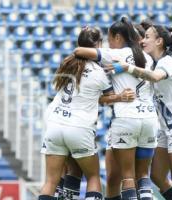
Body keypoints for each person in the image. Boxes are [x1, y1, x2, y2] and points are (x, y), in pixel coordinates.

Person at [39, 27, 135, 200]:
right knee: (92, 177)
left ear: (79, 43)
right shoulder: (99, 72)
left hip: (54, 124)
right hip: (79, 127)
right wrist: (121, 96)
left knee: (50, 182)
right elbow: (107, 97)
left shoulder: (66, 62)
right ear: (97, 45)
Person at [109, 25, 172, 200]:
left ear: (159, 41)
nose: (142, 41)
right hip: (166, 127)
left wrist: (127, 67)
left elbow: (155, 77)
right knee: (157, 176)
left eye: (147, 37)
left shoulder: (168, 61)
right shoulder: (155, 62)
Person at [74, 17, 158, 200]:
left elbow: (79, 51)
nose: (109, 43)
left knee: (127, 177)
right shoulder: (148, 58)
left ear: (118, 37)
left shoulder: (114, 54)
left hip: (126, 119)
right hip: (150, 120)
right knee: (143, 177)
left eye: (110, 38)